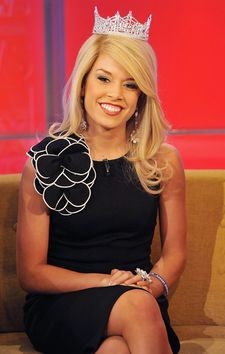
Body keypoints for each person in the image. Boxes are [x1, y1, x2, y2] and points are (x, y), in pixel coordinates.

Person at [16, 7, 186, 354]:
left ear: (141, 96)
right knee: (135, 311)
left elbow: (175, 253)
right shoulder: (46, 161)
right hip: (63, 304)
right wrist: (107, 283)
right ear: (83, 83)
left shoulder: (161, 161)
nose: (115, 95)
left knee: (115, 350)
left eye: (130, 84)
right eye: (104, 78)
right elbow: (31, 273)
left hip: (140, 301)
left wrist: (147, 287)